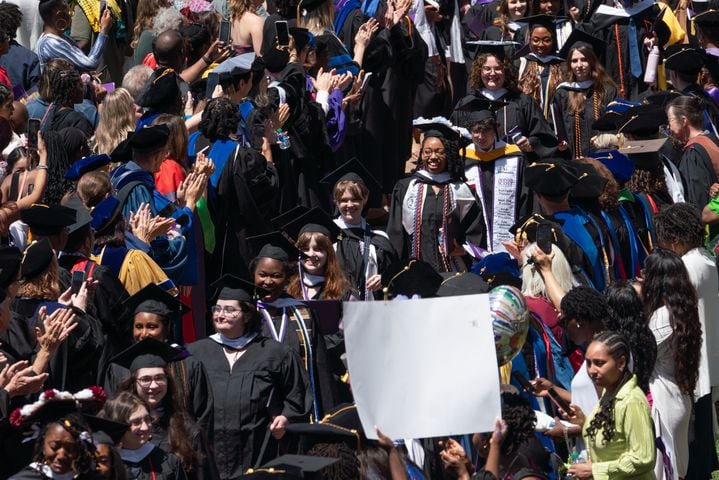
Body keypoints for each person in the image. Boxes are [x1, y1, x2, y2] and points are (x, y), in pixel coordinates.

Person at [186, 276, 310, 479]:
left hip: (258, 451)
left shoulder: (273, 352)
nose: (220, 315)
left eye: (229, 310)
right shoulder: (196, 352)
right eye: (217, 309)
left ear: (247, 314)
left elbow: (297, 393)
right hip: (208, 455)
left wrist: (286, 417)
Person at [650, 205, 719, 479]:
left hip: (691, 366)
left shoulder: (686, 267)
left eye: (663, 239)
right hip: (705, 362)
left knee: (692, 449)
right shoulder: (705, 259)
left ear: (675, 238)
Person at [248, 231, 340, 416]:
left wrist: (327, 413)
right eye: (262, 275)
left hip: (299, 407)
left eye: (276, 275)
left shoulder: (302, 312)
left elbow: (319, 366)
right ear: (254, 275)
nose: (268, 281)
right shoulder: (247, 313)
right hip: (255, 407)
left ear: (286, 278)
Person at [104, 286, 214, 432]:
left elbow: (203, 416)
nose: (143, 334)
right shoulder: (119, 367)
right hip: (132, 447)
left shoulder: (188, 365)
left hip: (179, 445)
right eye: (138, 327)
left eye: (151, 326)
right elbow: (112, 415)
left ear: (167, 328)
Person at [387, 119, 485, 272]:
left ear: (450, 154)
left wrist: (465, 249)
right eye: (427, 151)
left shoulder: (461, 190)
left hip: (454, 270)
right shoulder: (405, 188)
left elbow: (475, 230)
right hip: (415, 270)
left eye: (440, 152)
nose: (433, 157)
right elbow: (396, 233)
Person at [114, 339, 218, 480]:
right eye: (145, 379)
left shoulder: (188, 431)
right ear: (133, 383)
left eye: (159, 378)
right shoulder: (117, 429)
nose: (154, 385)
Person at [560, 331, 656, 479]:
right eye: (588, 363)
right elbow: (609, 440)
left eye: (599, 363)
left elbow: (643, 458)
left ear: (621, 363)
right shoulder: (609, 392)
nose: (591, 370)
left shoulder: (632, 401)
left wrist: (595, 470)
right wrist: (583, 421)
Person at [641, 249, 701, 480]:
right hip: (679, 397)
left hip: (663, 401)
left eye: (646, 271)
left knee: (665, 472)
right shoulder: (682, 310)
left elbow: (641, 354)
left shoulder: (660, 317)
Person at [456, 96, 532, 252]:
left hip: (509, 234)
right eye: (476, 131)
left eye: (486, 130)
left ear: (495, 129)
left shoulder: (514, 156)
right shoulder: (462, 158)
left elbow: (526, 197)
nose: (481, 136)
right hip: (474, 233)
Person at [454, 45, 558, 158]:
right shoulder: (466, 103)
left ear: (506, 71)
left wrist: (530, 143)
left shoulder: (522, 102)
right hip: (474, 168)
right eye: (487, 69)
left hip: (514, 166)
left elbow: (544, 136)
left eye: (498, 68)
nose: (492, 73)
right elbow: (454, 138)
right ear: (479, 72)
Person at [321, 159, 399, 300]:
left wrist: (384, 279)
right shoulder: (326, 234)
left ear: (365, 198)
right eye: (344, 200)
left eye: (355, 199)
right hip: (334, 309)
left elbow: (393, 275)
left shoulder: (379, 239)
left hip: (370, 310)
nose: (349, 205)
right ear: (335, 201)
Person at [553, 30, 618, 158]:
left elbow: (616, 124)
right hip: (574, 161)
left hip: (604, 158)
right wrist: (559, 143)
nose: (579, 65)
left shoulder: (607, 90)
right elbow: (555, 127)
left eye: (584, 60)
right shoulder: (562, 94)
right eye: (574, 61)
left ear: (592, 62)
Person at [100, 391, 188, 480]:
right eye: (136, 422)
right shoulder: (106, 464)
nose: (145, 427)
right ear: (118, 425)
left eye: (147, 419)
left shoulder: (168, 461)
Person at [283, 208, 353, 301]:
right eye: (305, 249)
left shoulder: (343, 293)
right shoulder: (287, 290)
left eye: (318, 249)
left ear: (329, 253)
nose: (311, 254)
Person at [666, 95, 719, 211]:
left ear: (684, 121)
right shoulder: (712, 138)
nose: (668, 126)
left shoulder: (692, 152)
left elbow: (698, 201)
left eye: (670, 120)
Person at [35, 0, 113, 72]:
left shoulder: (61, 37)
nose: (71, 14)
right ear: (58, 14)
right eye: (66, 8)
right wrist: (104, 31)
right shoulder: (50, 44)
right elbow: (90, 64)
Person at [516, 15, 565, 121]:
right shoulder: (520, 64)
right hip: (528, 127)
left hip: (556, 127)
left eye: (547, 40)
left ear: (554, 40)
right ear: (529, 39)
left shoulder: (562, 66)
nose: (541, 45)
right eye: (536, 40)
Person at [92, 88, 137, 156]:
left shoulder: (96, 143)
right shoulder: (134, 141)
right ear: (125, 112)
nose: (135, 108)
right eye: (132, 104)